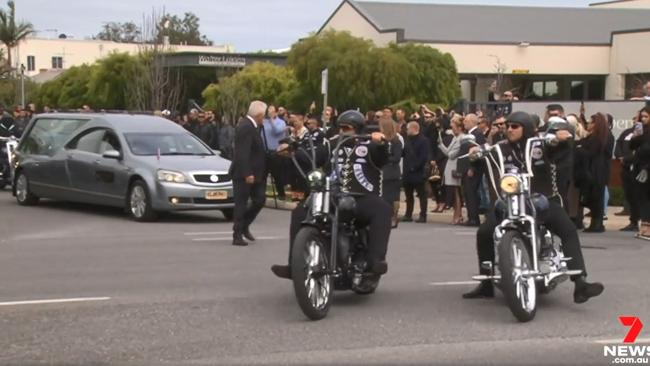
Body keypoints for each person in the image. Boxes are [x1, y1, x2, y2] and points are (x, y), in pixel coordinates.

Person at [463, 111, 604, 304]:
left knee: (568, 229)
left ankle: (580, 283)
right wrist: (474, 153)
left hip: (540, 201)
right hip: (509, 203)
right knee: (484, 232)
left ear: (526, 128)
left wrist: (559, 139)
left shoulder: (539, 144)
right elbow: (481, 154)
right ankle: (486, 284)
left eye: (515, 126)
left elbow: (553, 144)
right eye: (508, 126)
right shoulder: (500, 148)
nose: (509, 130)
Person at [271, 110, 392, 280]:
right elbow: (314, 156)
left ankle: (375, 261)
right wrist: (292, 151)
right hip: (331, 195)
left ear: (357, 128)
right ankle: (294, 265)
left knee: (383, 209)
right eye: (340, 128)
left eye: (347, 128)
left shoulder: (370, 144)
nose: (342, 131)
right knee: (299, 211)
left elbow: (383, 157)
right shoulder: (332, 144)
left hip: (361, 196)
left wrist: (381, 143)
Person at [230, 101, 268, 247]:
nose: (263, 118)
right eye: (263, 116)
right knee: (241, 204)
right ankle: (237, 234)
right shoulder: (246, 127)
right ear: (259, 115)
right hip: (244, 174)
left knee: (259, 199)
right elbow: (242, 153)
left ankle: (245, 225)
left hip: (256, 173)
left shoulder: (253, 126)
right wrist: (247, 173)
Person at [576, 113, 612, 233]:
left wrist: (579, 149)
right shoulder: (594, 137)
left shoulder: (599, 138)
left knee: (597, 197)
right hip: (595, 170)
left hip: (596, 170)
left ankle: (597, 224)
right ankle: (596, 223)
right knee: (595, 197)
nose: (589, 124)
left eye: (591, 122)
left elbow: (589, 152)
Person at [457, 114, 486, 226]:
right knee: (467, 194)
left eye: (466, 121)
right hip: (466, 168)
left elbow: (478, 152)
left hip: (473, 169)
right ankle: (471, 217)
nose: (464, 123)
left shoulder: (477, 134)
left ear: (472, 122)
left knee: (471, 194)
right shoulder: (469, 135)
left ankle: (474, 218)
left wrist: (472, 168)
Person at [614, 115, 640, 232]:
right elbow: (618, 145)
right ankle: (633, 222)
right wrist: (620, 157)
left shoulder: (644, 135)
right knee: (630, 195)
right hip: (626, 168)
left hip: (639, 168)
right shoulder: (627, 132)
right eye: (635, 119)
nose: (636, 121)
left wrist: (628, 158)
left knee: (639, 195)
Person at [401, 121, 430, 223]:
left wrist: (415, 167)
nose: (407, 130)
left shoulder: (423, 141)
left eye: (408, 128)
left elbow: (423, 157)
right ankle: (408, 214)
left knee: (422, 195)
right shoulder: (407, 140)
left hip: (418, 172)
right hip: (407, 172)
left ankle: (423, 215)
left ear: (414, 129)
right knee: (408, 195)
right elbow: (403, 153)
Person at [438, 117, 465, 224]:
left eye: (453, 127)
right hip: (450, 167)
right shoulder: (455, 138)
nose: (452, 129)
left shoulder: (461, 138)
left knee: (456, 192)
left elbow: (452, 154)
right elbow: (447, 152)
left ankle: (458, 215)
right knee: (453, 192)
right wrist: (441, 144)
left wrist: (447, 151)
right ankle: (457, 214)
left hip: (455, 167)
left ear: (459, 127)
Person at [379, 116, 403, 228]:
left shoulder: (396, 141)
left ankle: (394, 217)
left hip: (392, 172)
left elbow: (397, 157)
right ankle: (386, 217)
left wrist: (384, 158)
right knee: (384, 197)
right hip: (383, 172)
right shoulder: (382, 141)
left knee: (392, 197)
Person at [630, 107, 650, 240]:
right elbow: (632, 146)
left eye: (646, 116)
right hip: (639, 167)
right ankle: (644, 225)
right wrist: (636, 135)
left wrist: (647, 168)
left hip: (647, 168)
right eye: (641, 117)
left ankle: (648, 227)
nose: (643, 119)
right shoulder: (642, 132)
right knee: (642, 197)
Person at [263, 105, 289, 201]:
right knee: (263, 175)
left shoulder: (281, 122)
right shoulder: (264, 122)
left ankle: (281, 194)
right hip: (265, 152)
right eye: (269, 111)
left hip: (276, 153)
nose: (270, 112)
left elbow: (276, 131)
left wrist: (271, 120)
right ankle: (261, 193)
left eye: (272, 111)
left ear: (276, 112)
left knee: (277, 175)